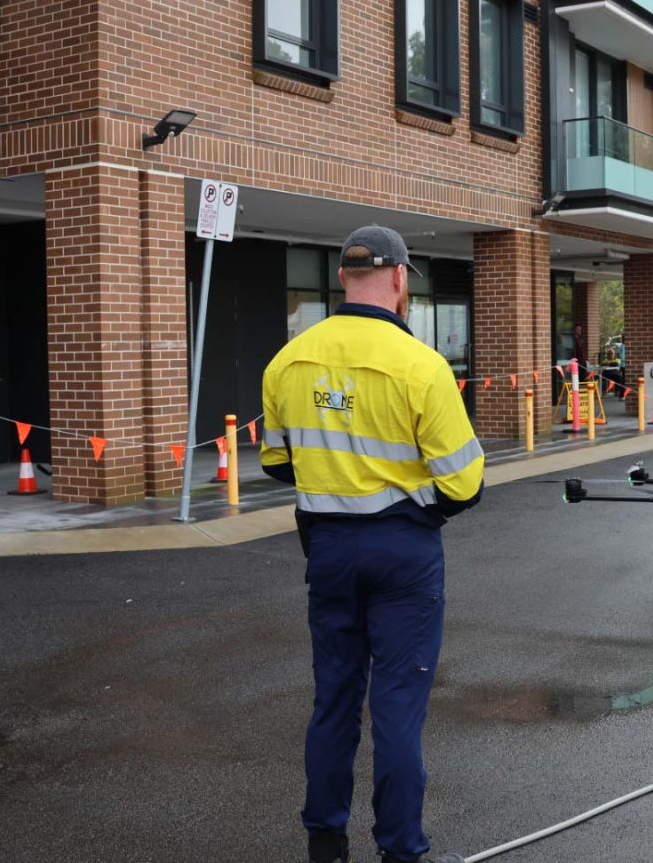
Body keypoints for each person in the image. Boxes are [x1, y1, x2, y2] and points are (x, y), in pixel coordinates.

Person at [261, 224, 483, 863]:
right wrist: (407, 502)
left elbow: (279, 461)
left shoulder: (290, 360)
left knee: (332, 699)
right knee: (397, 706)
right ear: (399, 278)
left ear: (341, 278)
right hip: (403, 553)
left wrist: (337, 476)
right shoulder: (422, 365)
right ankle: (400, 849)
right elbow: (464, 484)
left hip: (327, 548)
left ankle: (325, 840)